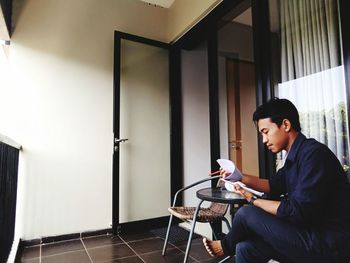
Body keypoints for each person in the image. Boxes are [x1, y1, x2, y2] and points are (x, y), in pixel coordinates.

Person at [203, 98, 350, 262]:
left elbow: (298, 211)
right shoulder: (295, 156)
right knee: (245, 248)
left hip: (328, 244)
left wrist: (252, 200)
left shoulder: (314, 155)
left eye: (266, 132)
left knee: (245, 213)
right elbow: (272, 185)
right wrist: (238, 176)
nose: (264, 140)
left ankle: (224, 246)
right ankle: (230, 246)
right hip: (307, 233)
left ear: (285, 125)